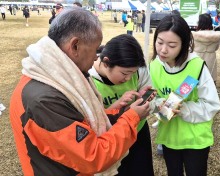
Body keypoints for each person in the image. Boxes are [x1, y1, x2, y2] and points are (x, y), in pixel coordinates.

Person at [9, 8, 151, 176]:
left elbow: (80, 123)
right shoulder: (43, 100)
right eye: (95, 48)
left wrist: (120, 111)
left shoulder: (54, 81)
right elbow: (93, 155)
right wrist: (131, 117)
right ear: (75, 45)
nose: (96, 58)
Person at [149, 14, 220, 176]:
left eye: (172, 45)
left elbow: (212, 104)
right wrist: (159, 106)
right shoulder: (154, 66)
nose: (163, 49)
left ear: (184, 44)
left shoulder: (196, 67)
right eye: (159, 42)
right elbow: (151, 99)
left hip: (195, 140)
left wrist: (183, 110)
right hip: (169, 138)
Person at [89, 34, 155, 176]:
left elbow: (149, 93)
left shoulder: (139, 70)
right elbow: (92, 120)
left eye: (133, 73)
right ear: (106, 62)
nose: (129, 79)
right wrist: (119, 106)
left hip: (137, 132)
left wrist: (145, 98)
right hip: (109, 139)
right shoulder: (88, 78)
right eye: (125, 73)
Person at [192, 13, 220, 84]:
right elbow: (216, 48)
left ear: (200, 22)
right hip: (211, 59)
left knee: (195, 78)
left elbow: (191, 48)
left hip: (197, 58)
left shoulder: (194, 35)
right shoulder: (217, 36)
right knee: (210, 80)